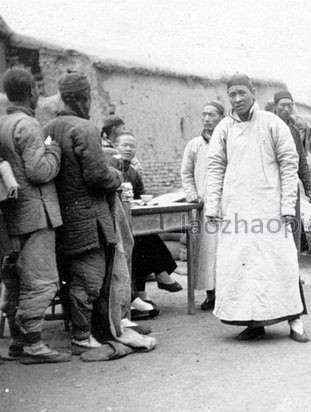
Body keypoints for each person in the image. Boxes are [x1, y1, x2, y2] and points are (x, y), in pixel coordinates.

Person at [205, 74, 308, 343]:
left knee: (280, 260)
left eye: (242, 93)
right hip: (236, 208)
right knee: (242, 264)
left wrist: (287, 205)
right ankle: (253, 323)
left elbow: (289, 164)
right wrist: (213, 206)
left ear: (253, 92)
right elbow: (215, 167)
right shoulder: (224, 128)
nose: (237, 99)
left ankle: (295, 320)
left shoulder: (272, 123)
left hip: (269, 206)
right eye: (232, 94)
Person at [44, 70, 123, 349]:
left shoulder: (49, 128)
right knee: (90, 277)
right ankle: (82, 335)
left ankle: (84, 331)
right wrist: (117, 175)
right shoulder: (84, 128)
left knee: (74, 275)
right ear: (84, 97)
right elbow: (97, 178)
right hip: (89, 218)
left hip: (62, 217)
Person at [0, 68, 70, 364]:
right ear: (32, 92)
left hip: (10, 216)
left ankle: (18, 341)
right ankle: (34, 344)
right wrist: (53, 152)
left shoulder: (2, 121)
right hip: (35, 213)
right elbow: (38, 171)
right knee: (41, 280)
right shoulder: (27, 125)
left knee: (14, 280)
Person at [113, 132, 182, 316]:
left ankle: (142, 293)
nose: (128, 149)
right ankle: (160, 274)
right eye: (124, 145)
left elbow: (140, 195)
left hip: (132, 218)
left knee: (144, 237)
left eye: (132, 146)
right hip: (115, 221)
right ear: (115, 146)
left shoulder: (133, 172)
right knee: (142, 240)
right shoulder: (111, 167)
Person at [181, 100, 225, 311]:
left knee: (225, 249)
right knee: (206, 251)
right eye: (204, 114)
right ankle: (211, 294)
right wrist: (192, 195)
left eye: (212, 115)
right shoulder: (194, 145)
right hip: (204, 205)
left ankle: (227, 294)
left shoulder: (228, 142)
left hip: (227, 204)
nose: (207, 118)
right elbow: (186, 173)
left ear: (222, 118)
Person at [273, 90, 311, 252]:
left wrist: (309, 187)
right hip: (272, 184)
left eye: (289, 105)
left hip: (290, 184)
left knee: (293, 226)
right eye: (283, 105)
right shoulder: (268, 127)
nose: (286, 109)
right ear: (275, 107)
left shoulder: (294, 132)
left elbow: (301, 161)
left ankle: (294, 272)